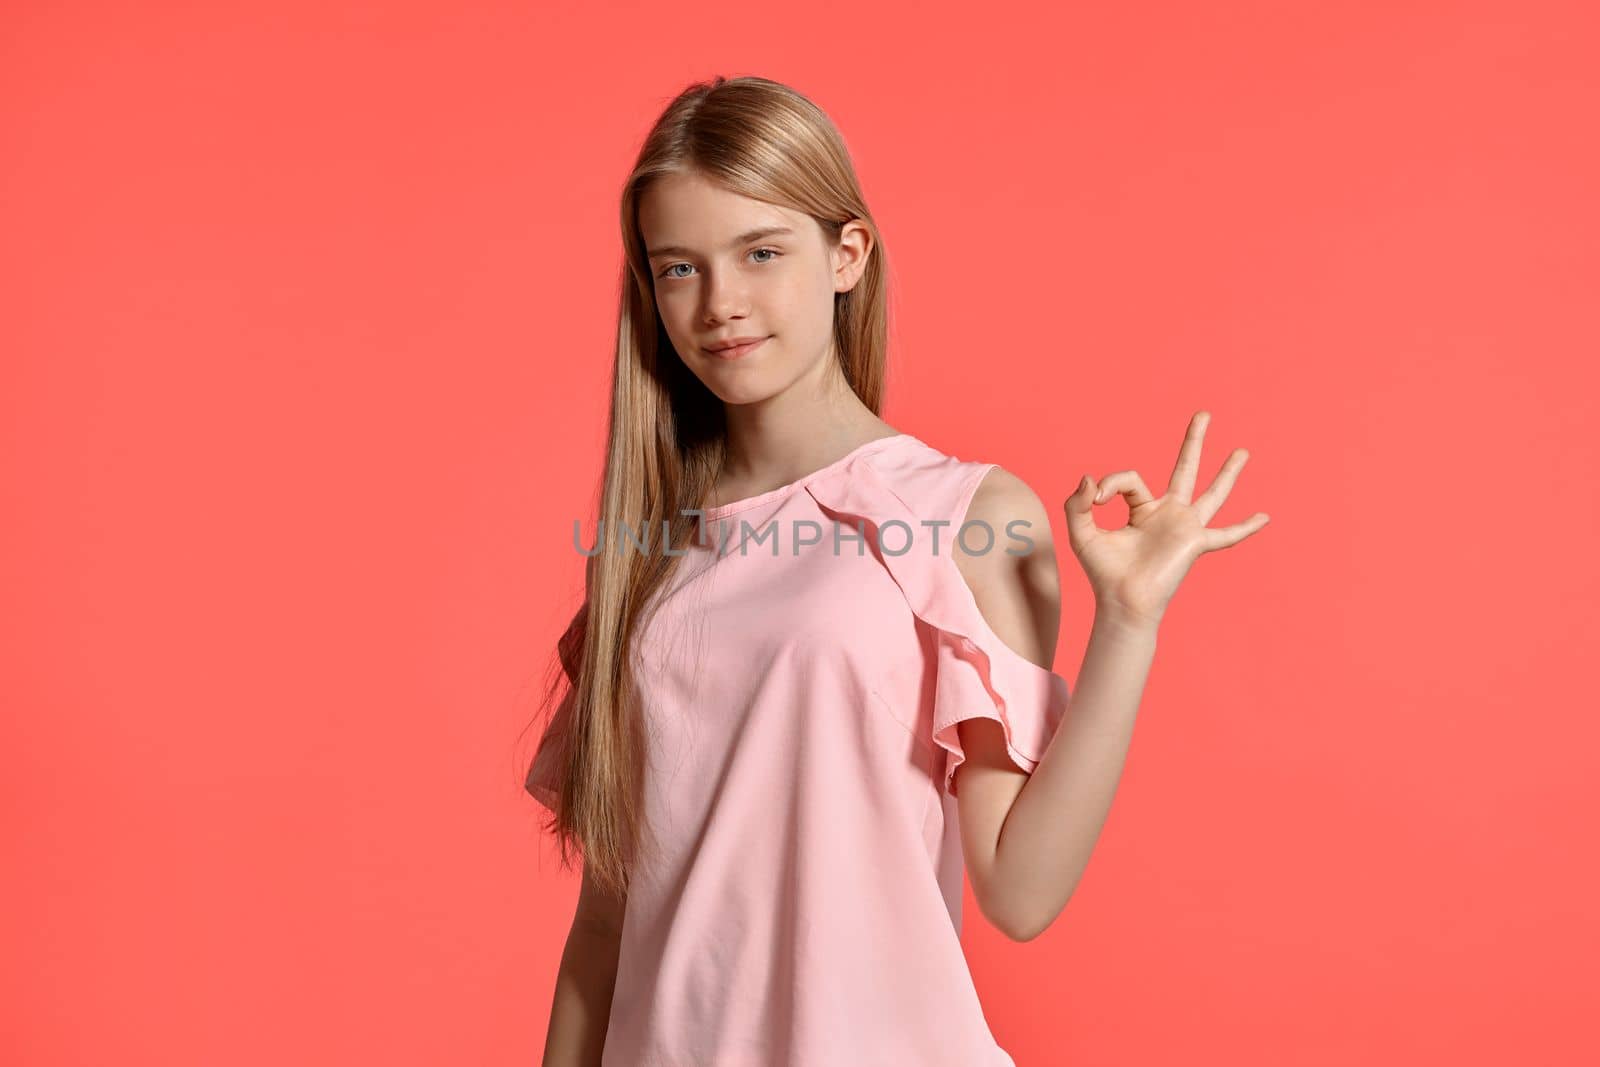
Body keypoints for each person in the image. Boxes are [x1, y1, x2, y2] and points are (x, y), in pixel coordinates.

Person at [524, 74, 1269, 1067]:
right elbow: (605, 927)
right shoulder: (644, 560)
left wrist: (1129, 622)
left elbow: (1021, 887)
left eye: (760, 252)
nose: (721, 304)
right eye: (678, 269)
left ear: (846, 254)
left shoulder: (960, 514)